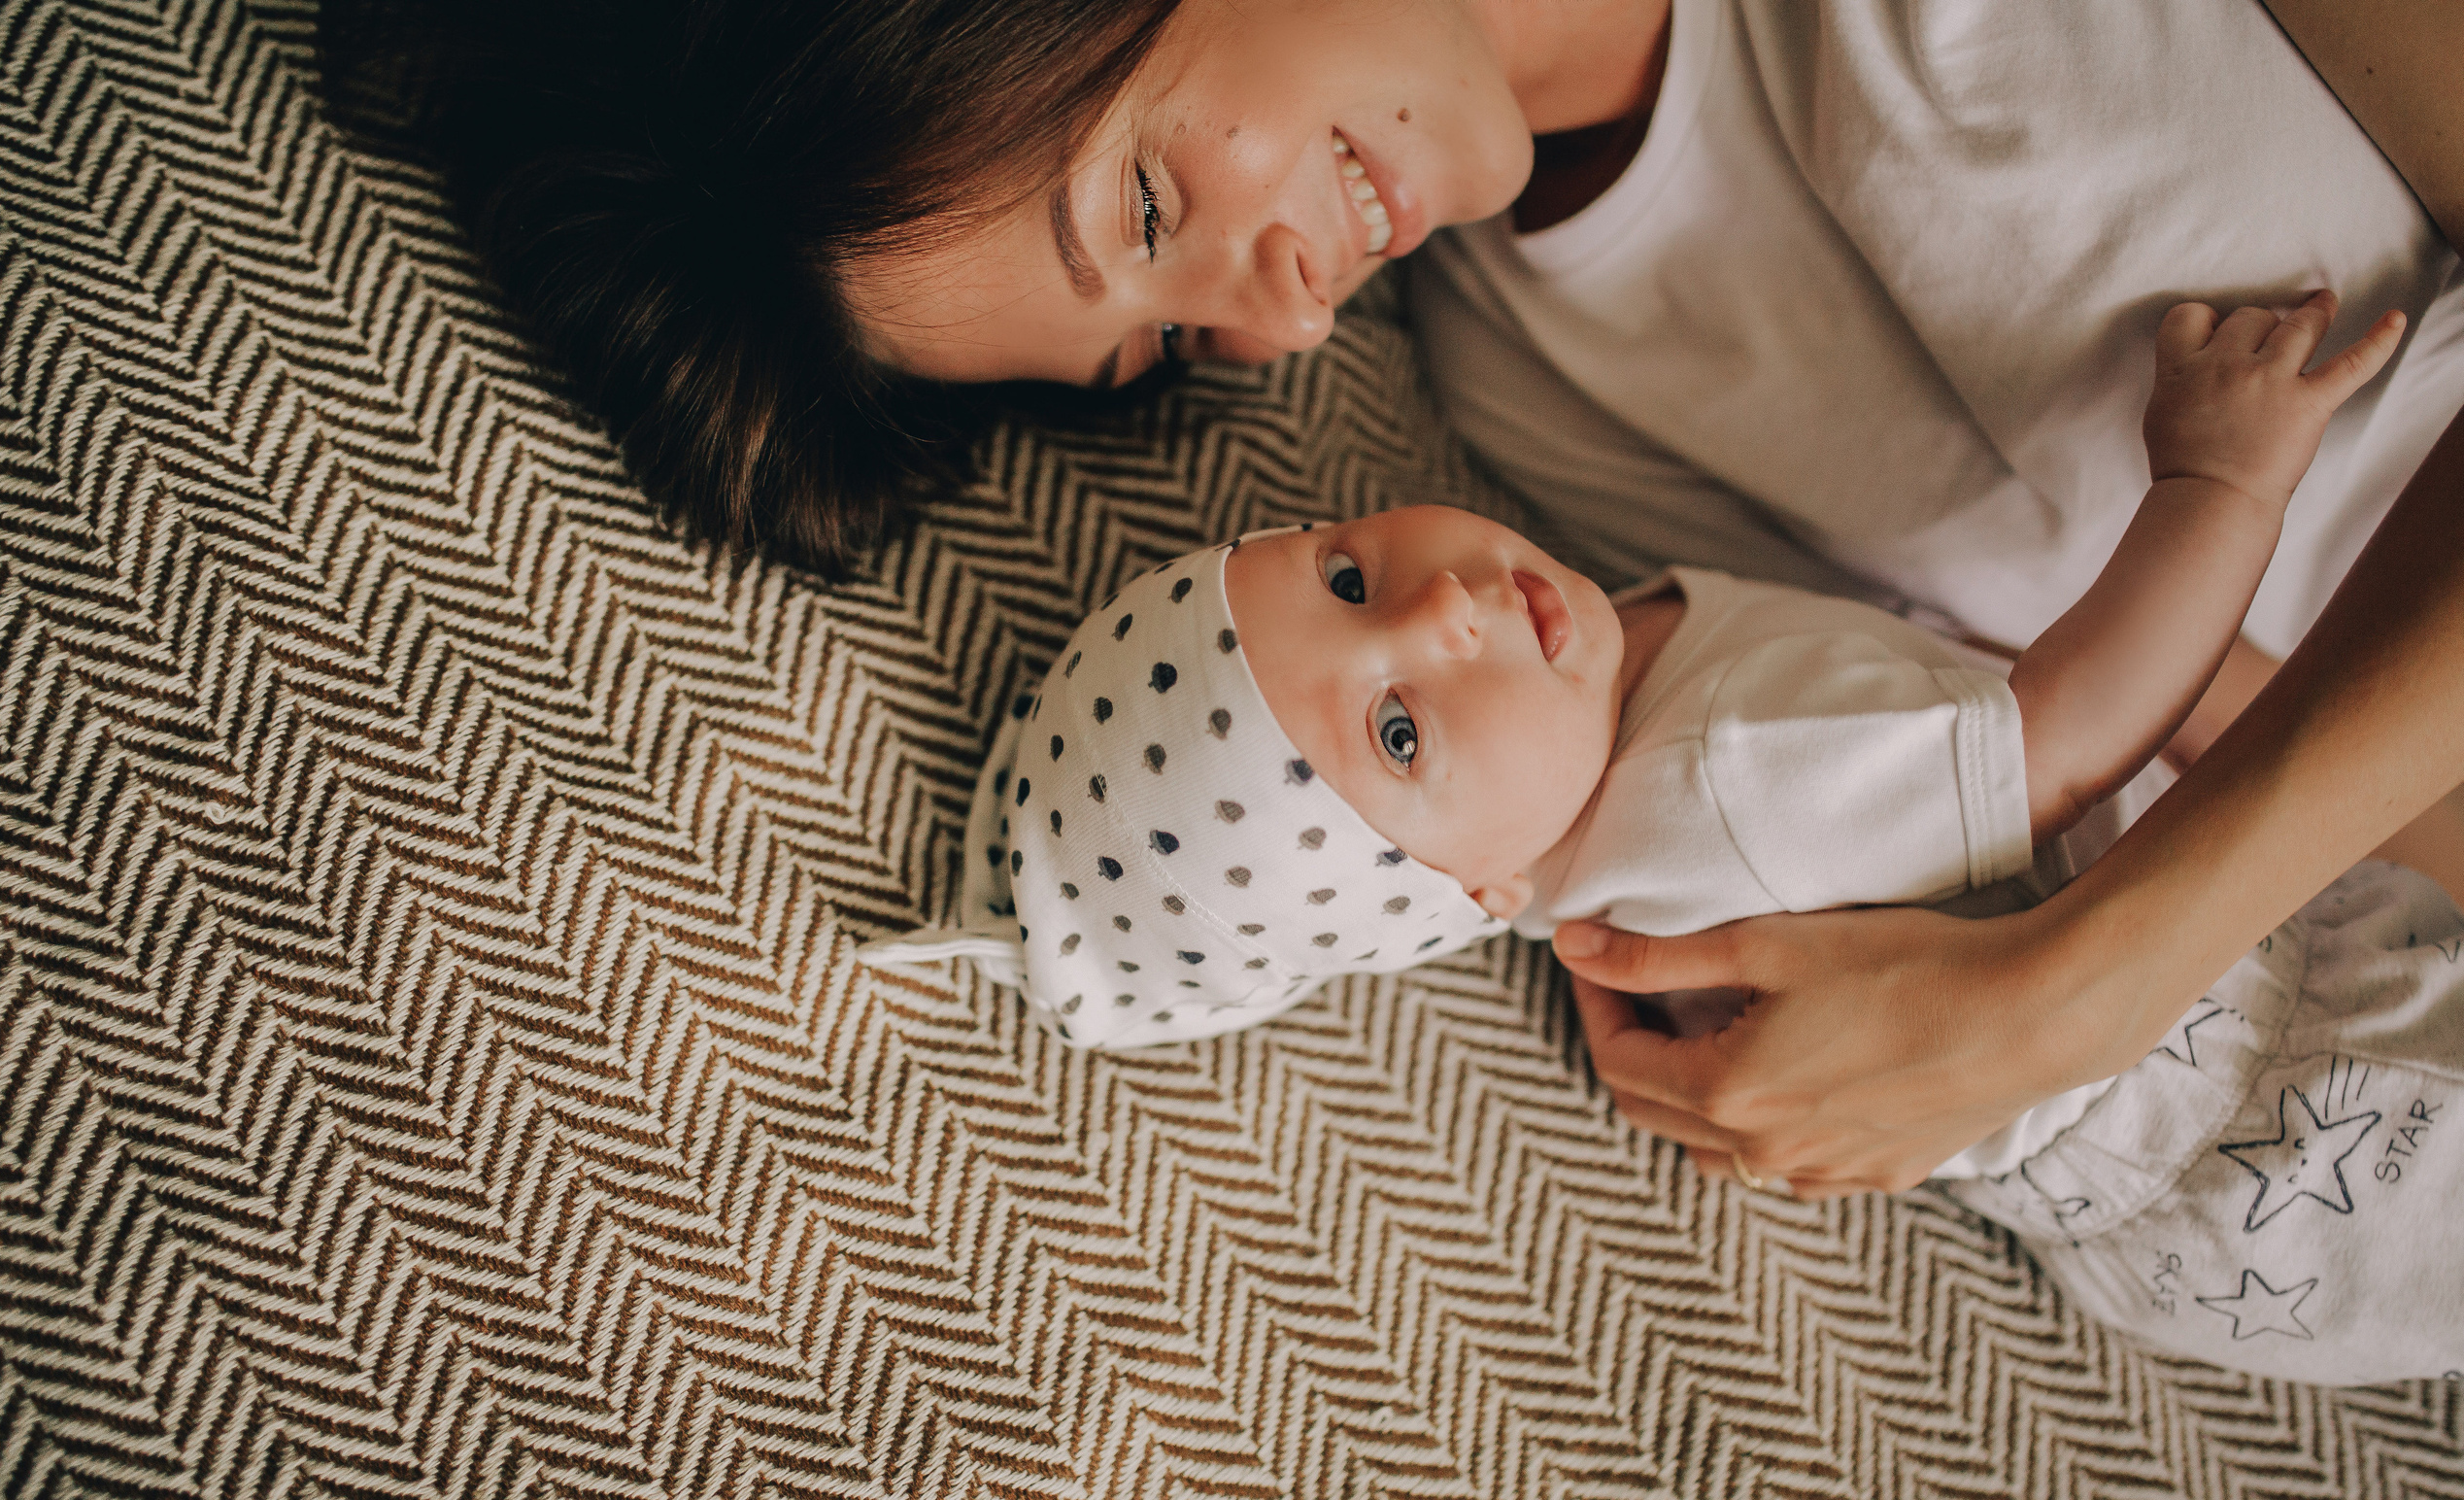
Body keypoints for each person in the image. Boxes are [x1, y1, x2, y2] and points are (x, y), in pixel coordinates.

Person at [338, 0, 2464, 1202]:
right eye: (1159, 344)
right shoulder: (1534, 396)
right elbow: (2078, 711)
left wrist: (2088, 976)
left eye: (1149, 196)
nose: (1267, 331)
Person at [862, 290, 2464, 1381]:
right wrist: (2221, 477)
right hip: (2340, 1111)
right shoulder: (1728, 777)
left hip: (2192, 1224)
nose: (1444, 609)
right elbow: (2075, 730)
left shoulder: (1593, 762)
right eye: (1401, 730)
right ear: (1460, 894)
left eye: (1347, 576)